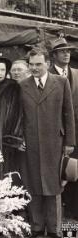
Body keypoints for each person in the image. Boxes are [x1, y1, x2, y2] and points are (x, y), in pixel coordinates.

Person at [20, 47, 75, 238]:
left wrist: (69, 142)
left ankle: (55, 228)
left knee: (54, 186)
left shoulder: (61, 82)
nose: (34, 68)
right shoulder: (22, 85)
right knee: (33, 184)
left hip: (55, 142)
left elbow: (68, 113)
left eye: (38, 64)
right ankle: (36, 226)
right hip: (31, 142)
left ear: (48, 64)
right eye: (31, 65)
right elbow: (19, 117)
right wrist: (20, 139)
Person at [48, 37, 78, 220]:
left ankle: (72, 227)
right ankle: (57, 227)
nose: (67, 54)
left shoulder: (76, 73)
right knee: (59, 184)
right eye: (62, 51)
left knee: (74, 179)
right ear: (53, 55)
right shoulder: (46, 74)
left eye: (68, 51)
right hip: (55, 139)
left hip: (76, 139)